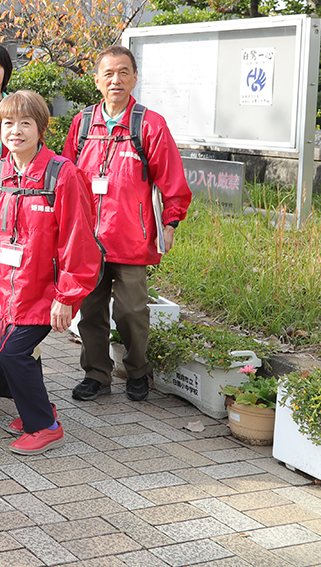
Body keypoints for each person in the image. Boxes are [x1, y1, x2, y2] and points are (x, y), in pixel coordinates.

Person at [63, 45, 192, 403]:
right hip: (88, 237)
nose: (116, 80)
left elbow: (173, 181)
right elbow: (67, 177)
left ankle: (137, 370)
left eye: (123, 72)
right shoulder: (83, 123)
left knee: (131, 311)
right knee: (89, 311)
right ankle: (96, 374)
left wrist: (170, 223)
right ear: (97, 80)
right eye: (108, 73)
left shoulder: (149, 124)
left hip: (132, 236)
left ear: (135, 78)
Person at [0, 91, 103, 455]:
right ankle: (35, 408)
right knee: (8, 350)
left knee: (11, 354)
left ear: (42, 128)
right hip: (9, 288)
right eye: (8, 123)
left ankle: (45, 426)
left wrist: (67, 296)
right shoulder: (1, 172)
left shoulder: (63, 174)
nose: (16, 131)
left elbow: (78, 241)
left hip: (45, 290)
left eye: (25, 123)